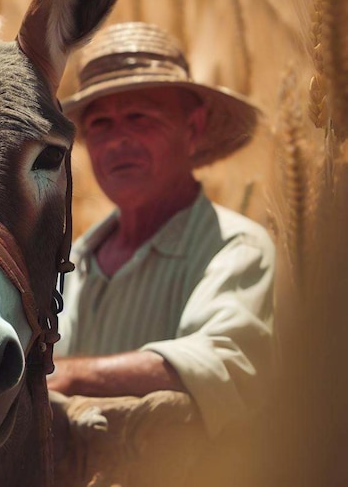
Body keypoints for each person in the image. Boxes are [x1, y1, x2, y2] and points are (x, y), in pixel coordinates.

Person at [49, 22, 275, 438]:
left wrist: (74, 376)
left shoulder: (237, 248)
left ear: (192, 130)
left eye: (139, 117)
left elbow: (224, 361)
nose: (118, 141)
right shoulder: (71, 261)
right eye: (100, 124)